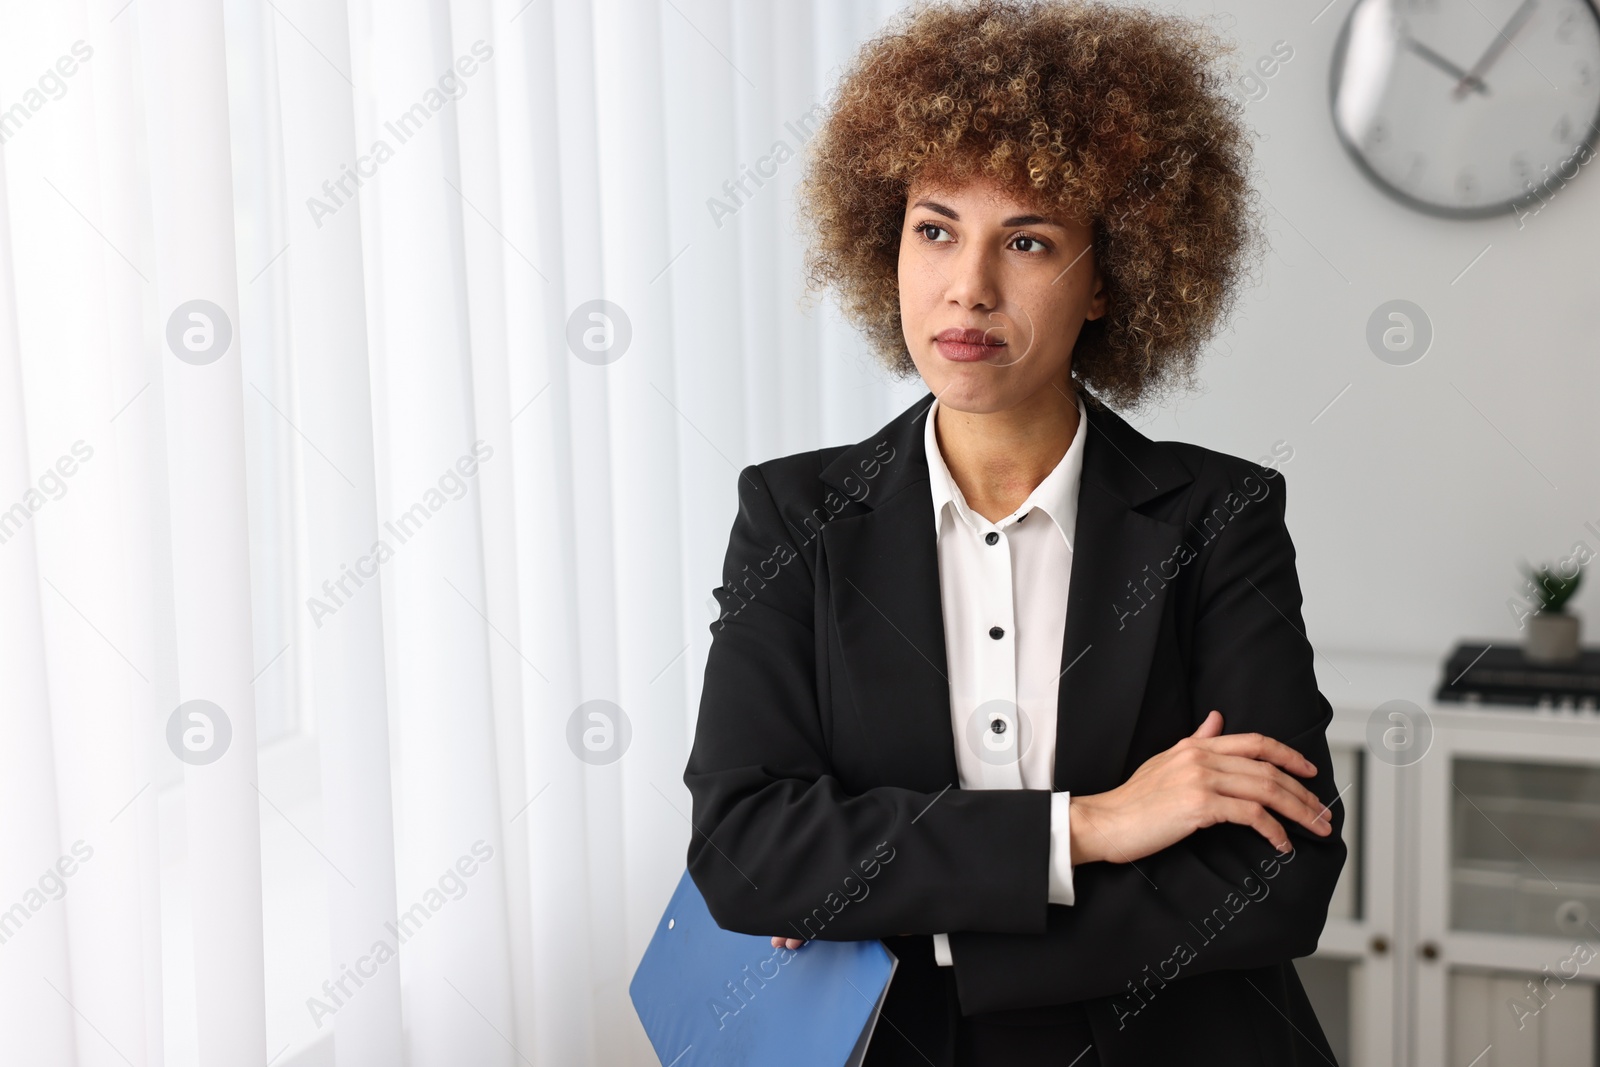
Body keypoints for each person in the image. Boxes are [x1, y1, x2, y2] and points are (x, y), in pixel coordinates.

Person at [682, 2, 1347, 1064]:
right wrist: (1089, 826)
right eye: (935, 227)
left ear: (1108, 276)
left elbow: (1274, 877)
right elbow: (747, 851)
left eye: (1027, 240)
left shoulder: (1219, 517)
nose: (968, 286)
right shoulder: (792, 517)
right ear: (885, 240)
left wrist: (920, 924)